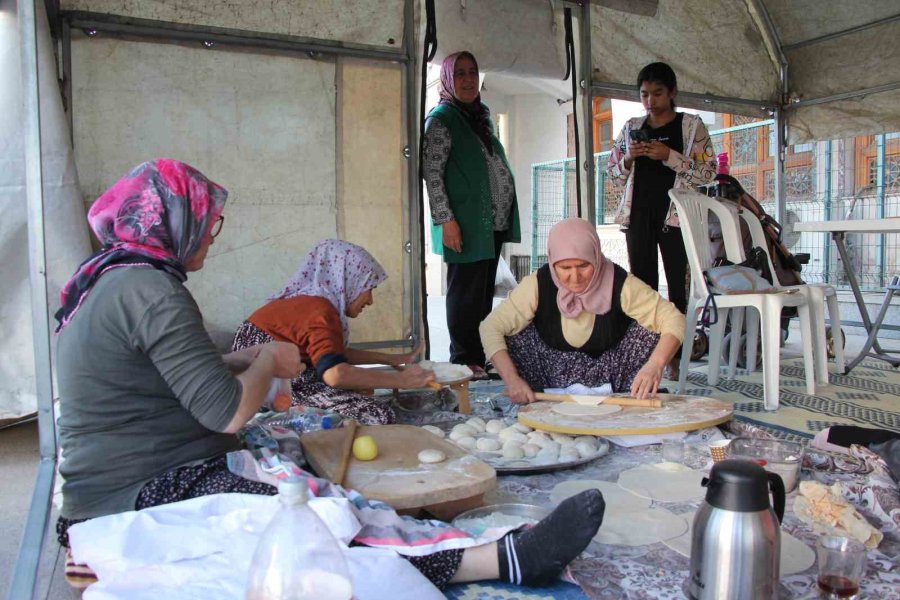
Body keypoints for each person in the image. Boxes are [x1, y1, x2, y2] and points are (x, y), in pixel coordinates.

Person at [54, 159, 605, 591]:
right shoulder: (149, 292)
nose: (212, 234)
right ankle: (498, 559)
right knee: (320, 520)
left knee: (307, 467)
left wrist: (242, 360)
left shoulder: (118, 279)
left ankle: (435, 538)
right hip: (141, 490)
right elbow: (227, 410)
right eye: (207, 221)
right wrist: (267, 361)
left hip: (138, 469)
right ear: (173, 221)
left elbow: (167, 374)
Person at [479, 218, 686, 404]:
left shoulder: (619, 282)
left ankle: (630, 390)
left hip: (612, 376)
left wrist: (655, 365)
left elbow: (674, 319)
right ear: (552, 263)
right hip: (550, 376)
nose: (574, 277)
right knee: (513, 331)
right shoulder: (537, 284)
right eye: (565, 268)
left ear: (596, 256)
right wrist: (512, 380)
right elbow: (490, 327)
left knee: (653, 328)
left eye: (583, 265)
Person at [232, 239, 435, 425]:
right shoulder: (320, 310)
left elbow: (330, 355)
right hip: (268, 388)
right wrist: (402, 380)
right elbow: (335, 374)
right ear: (349, 280)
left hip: (260, 379)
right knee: (377, 413)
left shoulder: (311, 301)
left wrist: (392, 360)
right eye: (368, 288)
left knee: (361, 389)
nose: (370, 300)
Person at [606, 62, 716, 379]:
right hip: (638, 215)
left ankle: (674, 359)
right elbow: (612, 174)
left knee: (678, 292)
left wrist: (668, 156)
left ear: (672, 92)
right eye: (644, 94)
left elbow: (708, 172)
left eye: (657, 93)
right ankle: (646, 357)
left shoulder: (691, 126)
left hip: (677, 218)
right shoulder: (631, 127)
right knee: (643, 288)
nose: (650, 102)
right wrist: (630, 156)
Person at [423, 50, 521, 377]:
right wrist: (445, 220)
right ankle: (463, 359)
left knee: (481, 295)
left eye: (472, 72)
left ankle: (479, 355)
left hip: (490, 223)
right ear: (449, 79)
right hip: (462, 223)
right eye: (460, 73)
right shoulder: (442, 119)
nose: (468, 79)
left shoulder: (480, 116)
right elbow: (432, 173)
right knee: (464, 293)